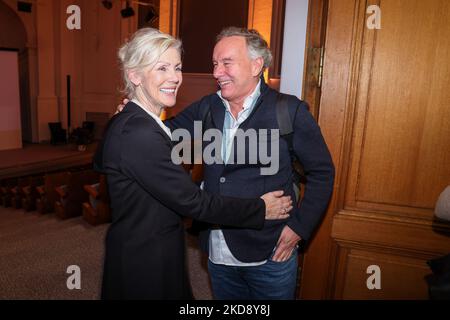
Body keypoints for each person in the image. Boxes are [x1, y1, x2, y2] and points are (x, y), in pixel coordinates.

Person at [118, 27, 335, 300]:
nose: (217, 72)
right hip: (217, 251)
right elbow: (164, 135)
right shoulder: (208, 106)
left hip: (270, 252)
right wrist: (136, 115)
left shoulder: (289, 111)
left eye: (226, 63)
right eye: (215, 64)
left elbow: (323, 173)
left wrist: (299, 229)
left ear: (257, 65)